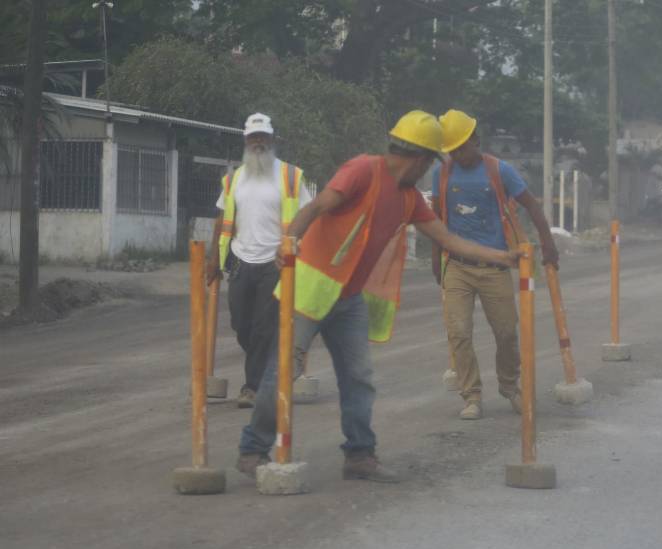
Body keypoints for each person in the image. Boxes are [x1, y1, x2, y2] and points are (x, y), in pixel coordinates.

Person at [237, 110, 520, 483]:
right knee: (282, 372)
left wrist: (503, 257)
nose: (428, 169)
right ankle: (252, 450)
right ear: (420, 158)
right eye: (430, 161)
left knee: (359, 376)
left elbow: (449, 240)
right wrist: (289, 240)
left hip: (349, 299)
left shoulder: (409, 198)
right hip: (309, 289)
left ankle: (360, 455)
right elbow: (317, 206)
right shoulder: (362, 170)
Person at [431, 110, 559, 420]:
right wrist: (436, 261)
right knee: (459, 333)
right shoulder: (442, 174)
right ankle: (471, 395)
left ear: (475, 140)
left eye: (462, 148)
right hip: (457, 267)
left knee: (506, 333)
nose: (457, 155)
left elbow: (532, 206)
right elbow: (436, 220)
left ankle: (510, 386)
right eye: (452, 150)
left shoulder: (500, 170)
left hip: (495, 266)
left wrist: (547, 242)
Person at [207, 113, 312, 408]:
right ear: (245, 141)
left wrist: (299, 249)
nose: (258, 143)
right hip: (241, 260)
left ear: (272, 139)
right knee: (241, 324)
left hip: (275, 262)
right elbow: (221, 219)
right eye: (253, 138)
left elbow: (308, 215)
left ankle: (252, 387)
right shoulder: (234, 179)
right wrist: (213, 259)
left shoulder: (290, 176)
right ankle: (274, 365)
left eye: (263, 137)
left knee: (263, 326)